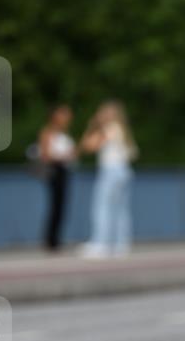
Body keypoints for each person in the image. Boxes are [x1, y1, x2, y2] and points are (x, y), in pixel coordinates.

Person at [78, 101, 138, 258]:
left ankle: (101, 244)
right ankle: (121, 245)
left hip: (111, 171)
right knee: (121, 210)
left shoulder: (109, 129)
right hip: (124, 171)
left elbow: (88, 146)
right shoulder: (122, 130)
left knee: (102, 207)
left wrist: (91, 126)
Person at [38, 104, 77, 251]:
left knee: (62, 206)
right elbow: (45, 155)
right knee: (55, 205)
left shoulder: (65, 134)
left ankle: (57, 238)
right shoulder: (47, 133)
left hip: (65, 170)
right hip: (55, 170)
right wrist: (64, 156)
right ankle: (51, 239)